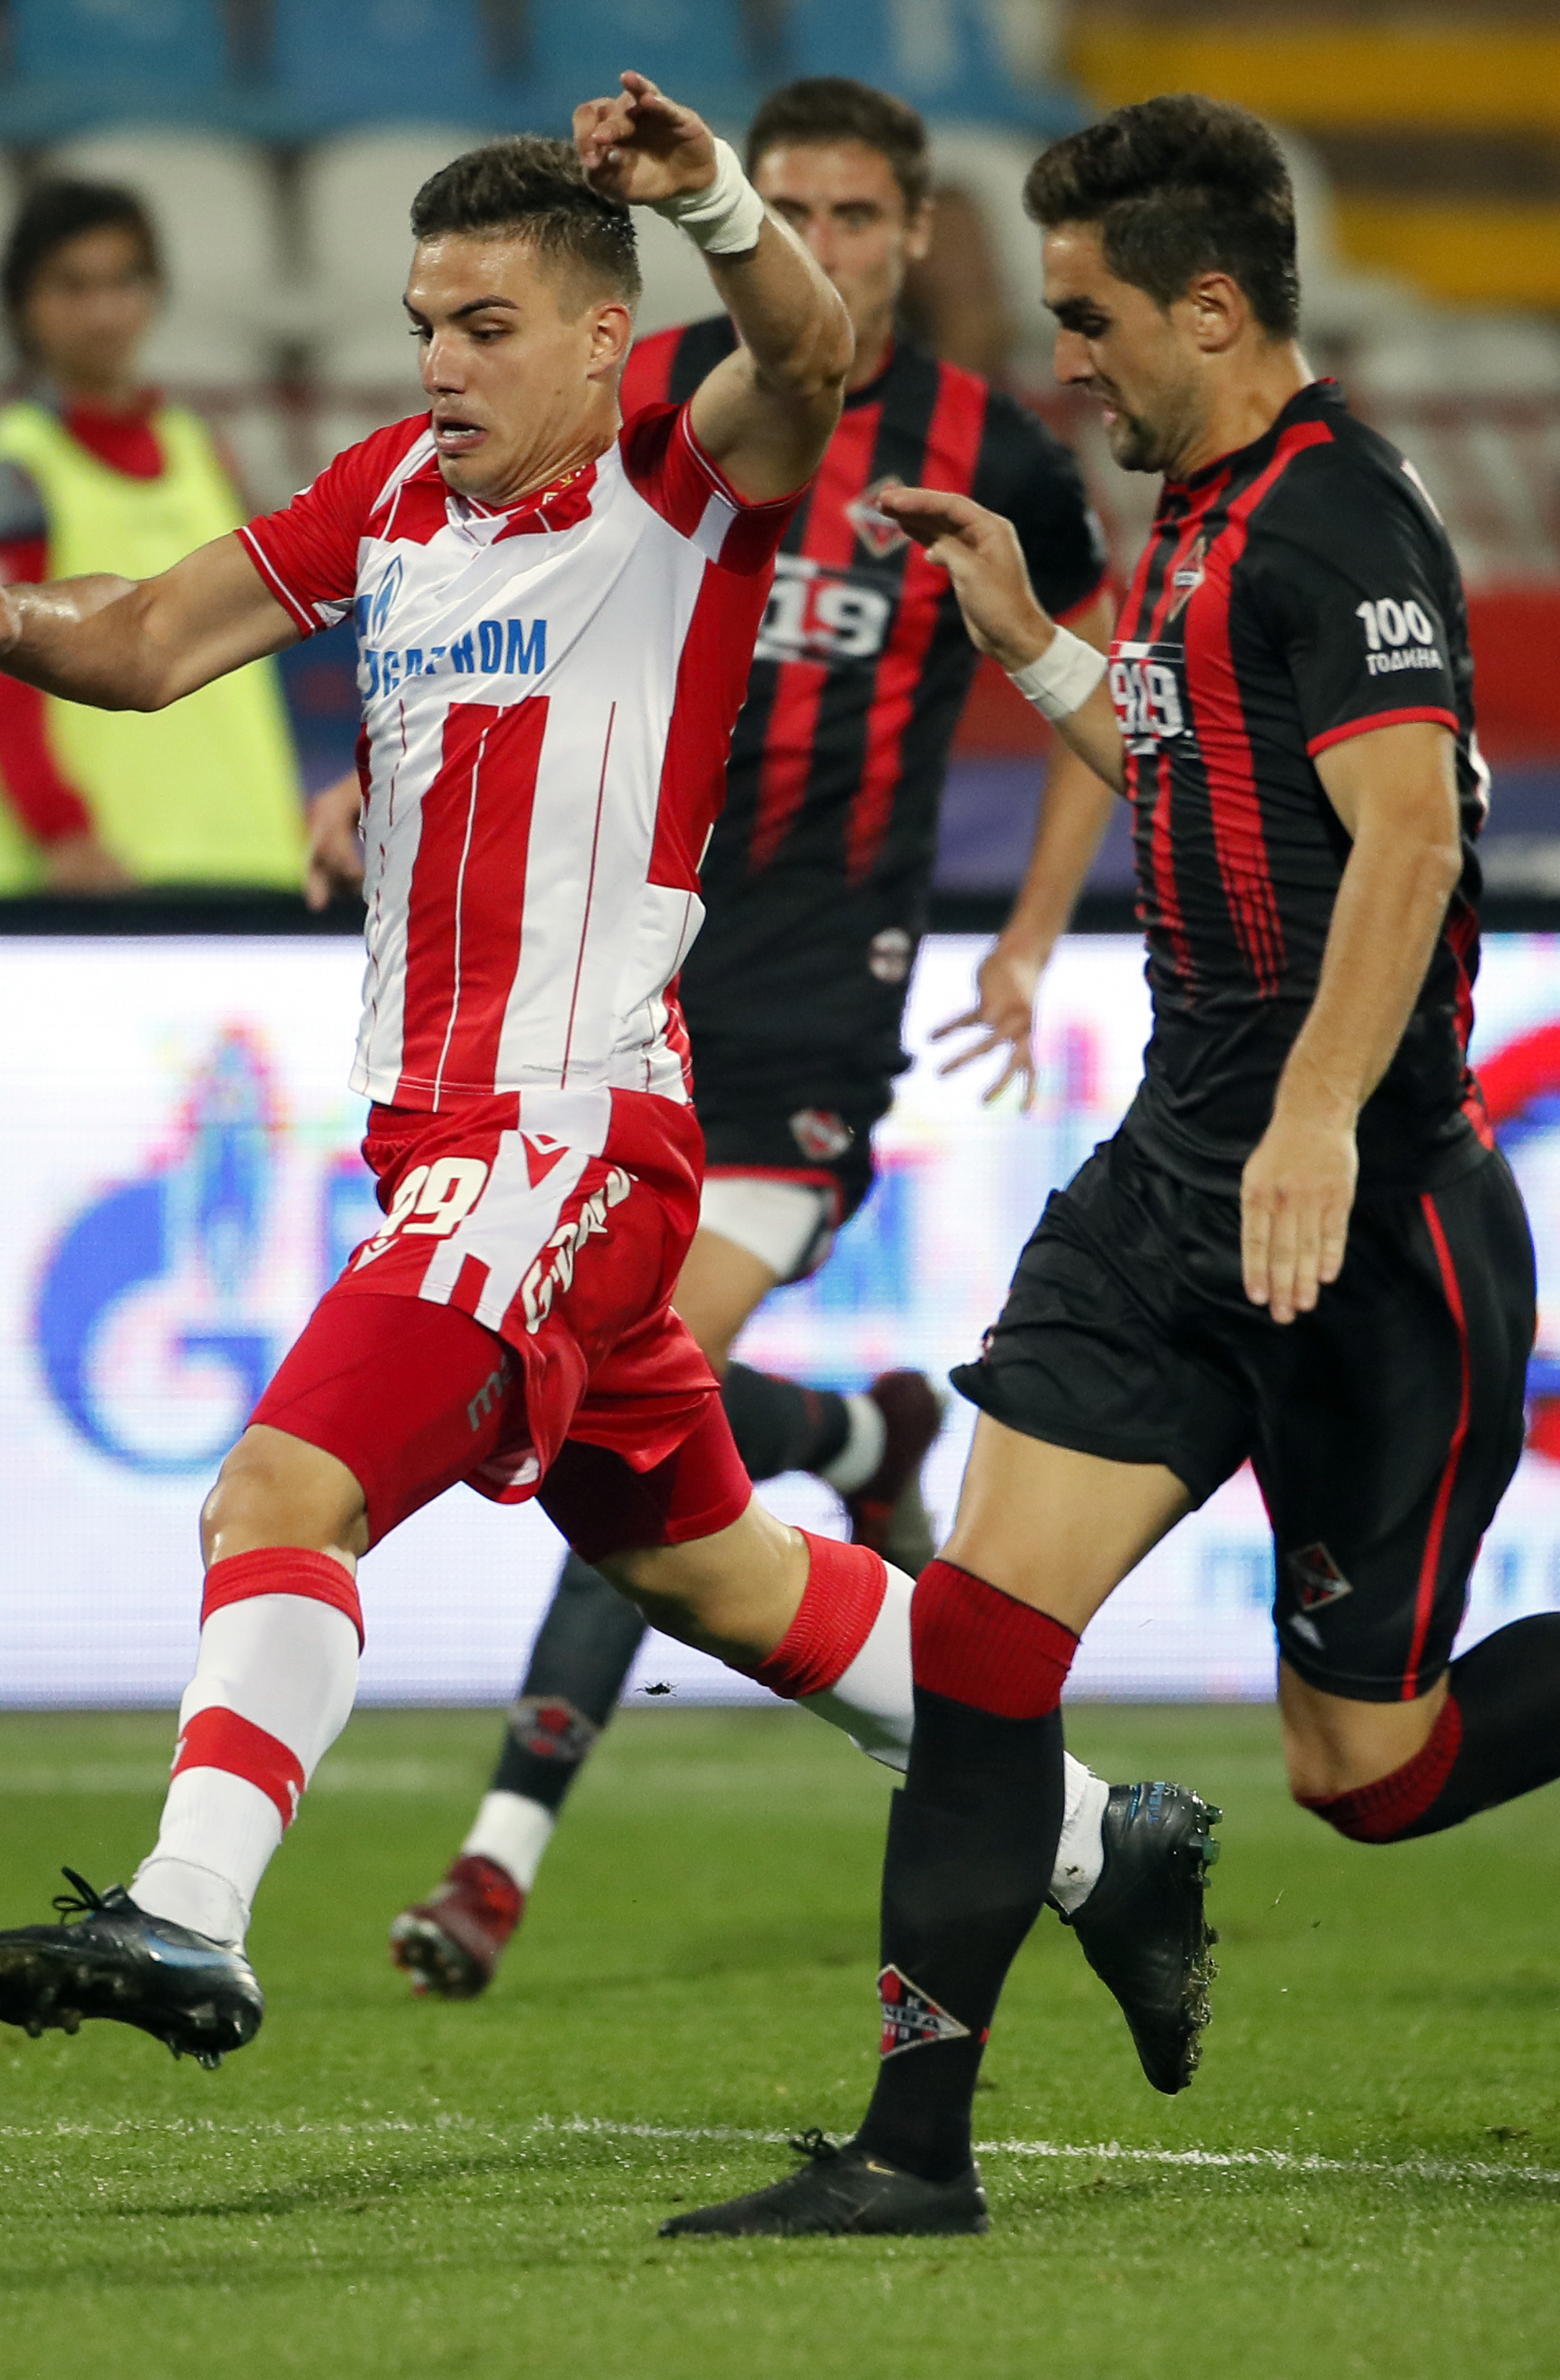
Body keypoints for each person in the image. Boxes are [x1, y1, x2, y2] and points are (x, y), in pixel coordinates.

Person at [665, 95, 1560, 2240]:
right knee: (985, 1638)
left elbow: (1413, 844)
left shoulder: (1339, 521)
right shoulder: (1199, 507)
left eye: (1090, 316)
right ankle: (911, 2152)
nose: (1060, 357)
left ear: (1211, 304)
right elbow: (1192, 758)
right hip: (1175, 1191)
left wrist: (1313, 1120)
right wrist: (1030, 637)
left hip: (1368, 1232)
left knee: (1370, 1774)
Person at [0, 75, 926, 2071]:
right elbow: (159, 640)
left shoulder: (680, 484)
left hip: (569, 1135)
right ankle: (1097, 1829)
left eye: (484, 327)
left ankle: (190, 1913)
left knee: (280, 1483)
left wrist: (703, 194)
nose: (437, 362)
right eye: (421, 324)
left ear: (605, 339)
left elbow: (813, 349)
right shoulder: (391, 501)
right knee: (713, 1573)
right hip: (446, 1141)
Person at [382, 81, 1220, 2099]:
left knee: (603, 1380)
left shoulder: (988, 445)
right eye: (803, 206)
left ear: (915, 229)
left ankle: (495, 1862)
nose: (830, 242)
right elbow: (482, 605)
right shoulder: (662, 400)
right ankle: (859, 1436)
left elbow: (1092, 683)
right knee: (610, 1394)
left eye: (862, 213)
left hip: (814, 1018)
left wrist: (1029, 940)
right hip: (617, 988)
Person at [0, 181, 331, 898]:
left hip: (249, 857)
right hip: (100, 875)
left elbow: (241, 661)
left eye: (124, 281)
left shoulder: (198, 450)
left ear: (154, 294)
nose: (102, 311)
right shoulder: (22, 467)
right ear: (23, 305)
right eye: (71, 285)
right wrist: (61, 833)